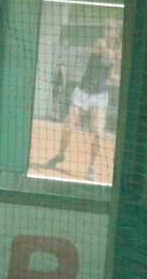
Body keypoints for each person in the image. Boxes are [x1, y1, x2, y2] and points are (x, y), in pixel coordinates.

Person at [43, 18, 122, 182]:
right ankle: (60, 155)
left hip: (99, 96)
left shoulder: (114, 52)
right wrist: (120, 53)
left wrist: (123, 79)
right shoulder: (100, 43)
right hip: (83, 93)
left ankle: (91, 167)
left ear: (116, 33)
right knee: (67, 128)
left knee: (99, 133)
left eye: (111, 29)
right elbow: (109, 55)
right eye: (106, 28)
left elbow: (110, 76)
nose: (107, 31)